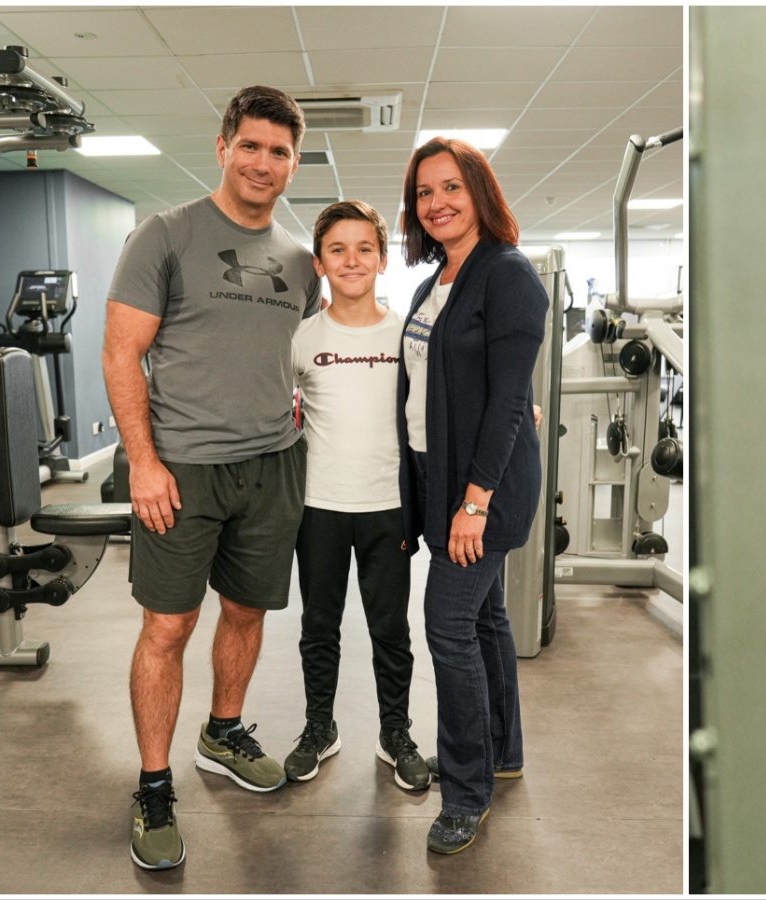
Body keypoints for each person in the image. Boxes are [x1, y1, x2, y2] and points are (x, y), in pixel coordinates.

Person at [101, 85, 321, 871]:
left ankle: (223, 731)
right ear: (224, 146)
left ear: (295, 164)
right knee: (168, 627)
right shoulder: (165, 236)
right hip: (182, 468)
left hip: (272, 465)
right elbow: (121, 352)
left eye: (281, 152)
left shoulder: (302, 261)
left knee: (247, 611)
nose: (264, 163)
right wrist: (144, 463)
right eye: (252, 146)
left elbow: (319, 358)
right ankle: (155, 785)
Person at [396, 137, 548, 854]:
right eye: (425, 193)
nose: (438, 203)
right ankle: (501, 752)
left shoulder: (507, 274)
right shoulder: (437, 282)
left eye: (451, 187)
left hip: (482, 490)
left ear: (479, 192)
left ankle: (465, 792)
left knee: (447, 625)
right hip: (443, 480)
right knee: (484, 620)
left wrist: (475, 500)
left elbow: (509, 400)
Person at [283, 200, 432, 791]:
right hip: (317, 506)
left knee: (391, 628)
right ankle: (320, 726)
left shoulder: (408, 334)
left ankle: (394, 731)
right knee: (319, 625)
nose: (351, 260)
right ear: (320, 263)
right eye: (337, 250)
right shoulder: (300, 338)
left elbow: (445, 396)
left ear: (383, 259)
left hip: (387, 506)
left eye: (364, 248)